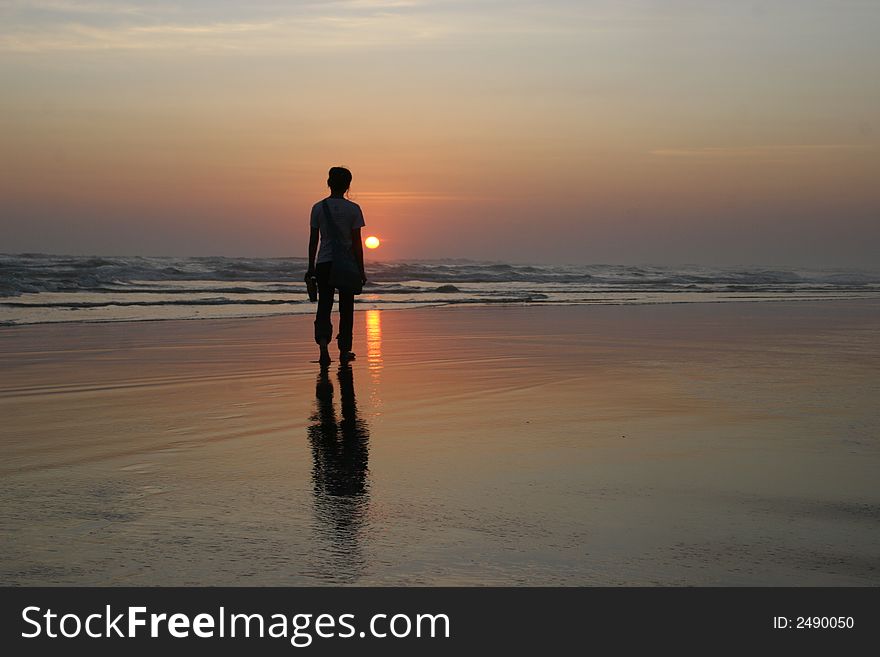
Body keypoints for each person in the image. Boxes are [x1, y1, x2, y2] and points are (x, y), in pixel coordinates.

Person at [305, 166, 367, 366]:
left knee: (324, 305)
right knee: (346, 308)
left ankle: (323, 346)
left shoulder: (317, 207)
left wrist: (310, 267)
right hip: (347, 265)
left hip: (324, 263)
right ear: (348, 185)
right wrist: (361, 269)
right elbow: (357, 243)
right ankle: (344, 350)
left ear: (328, 183)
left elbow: (313, 241)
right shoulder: (354, 209)